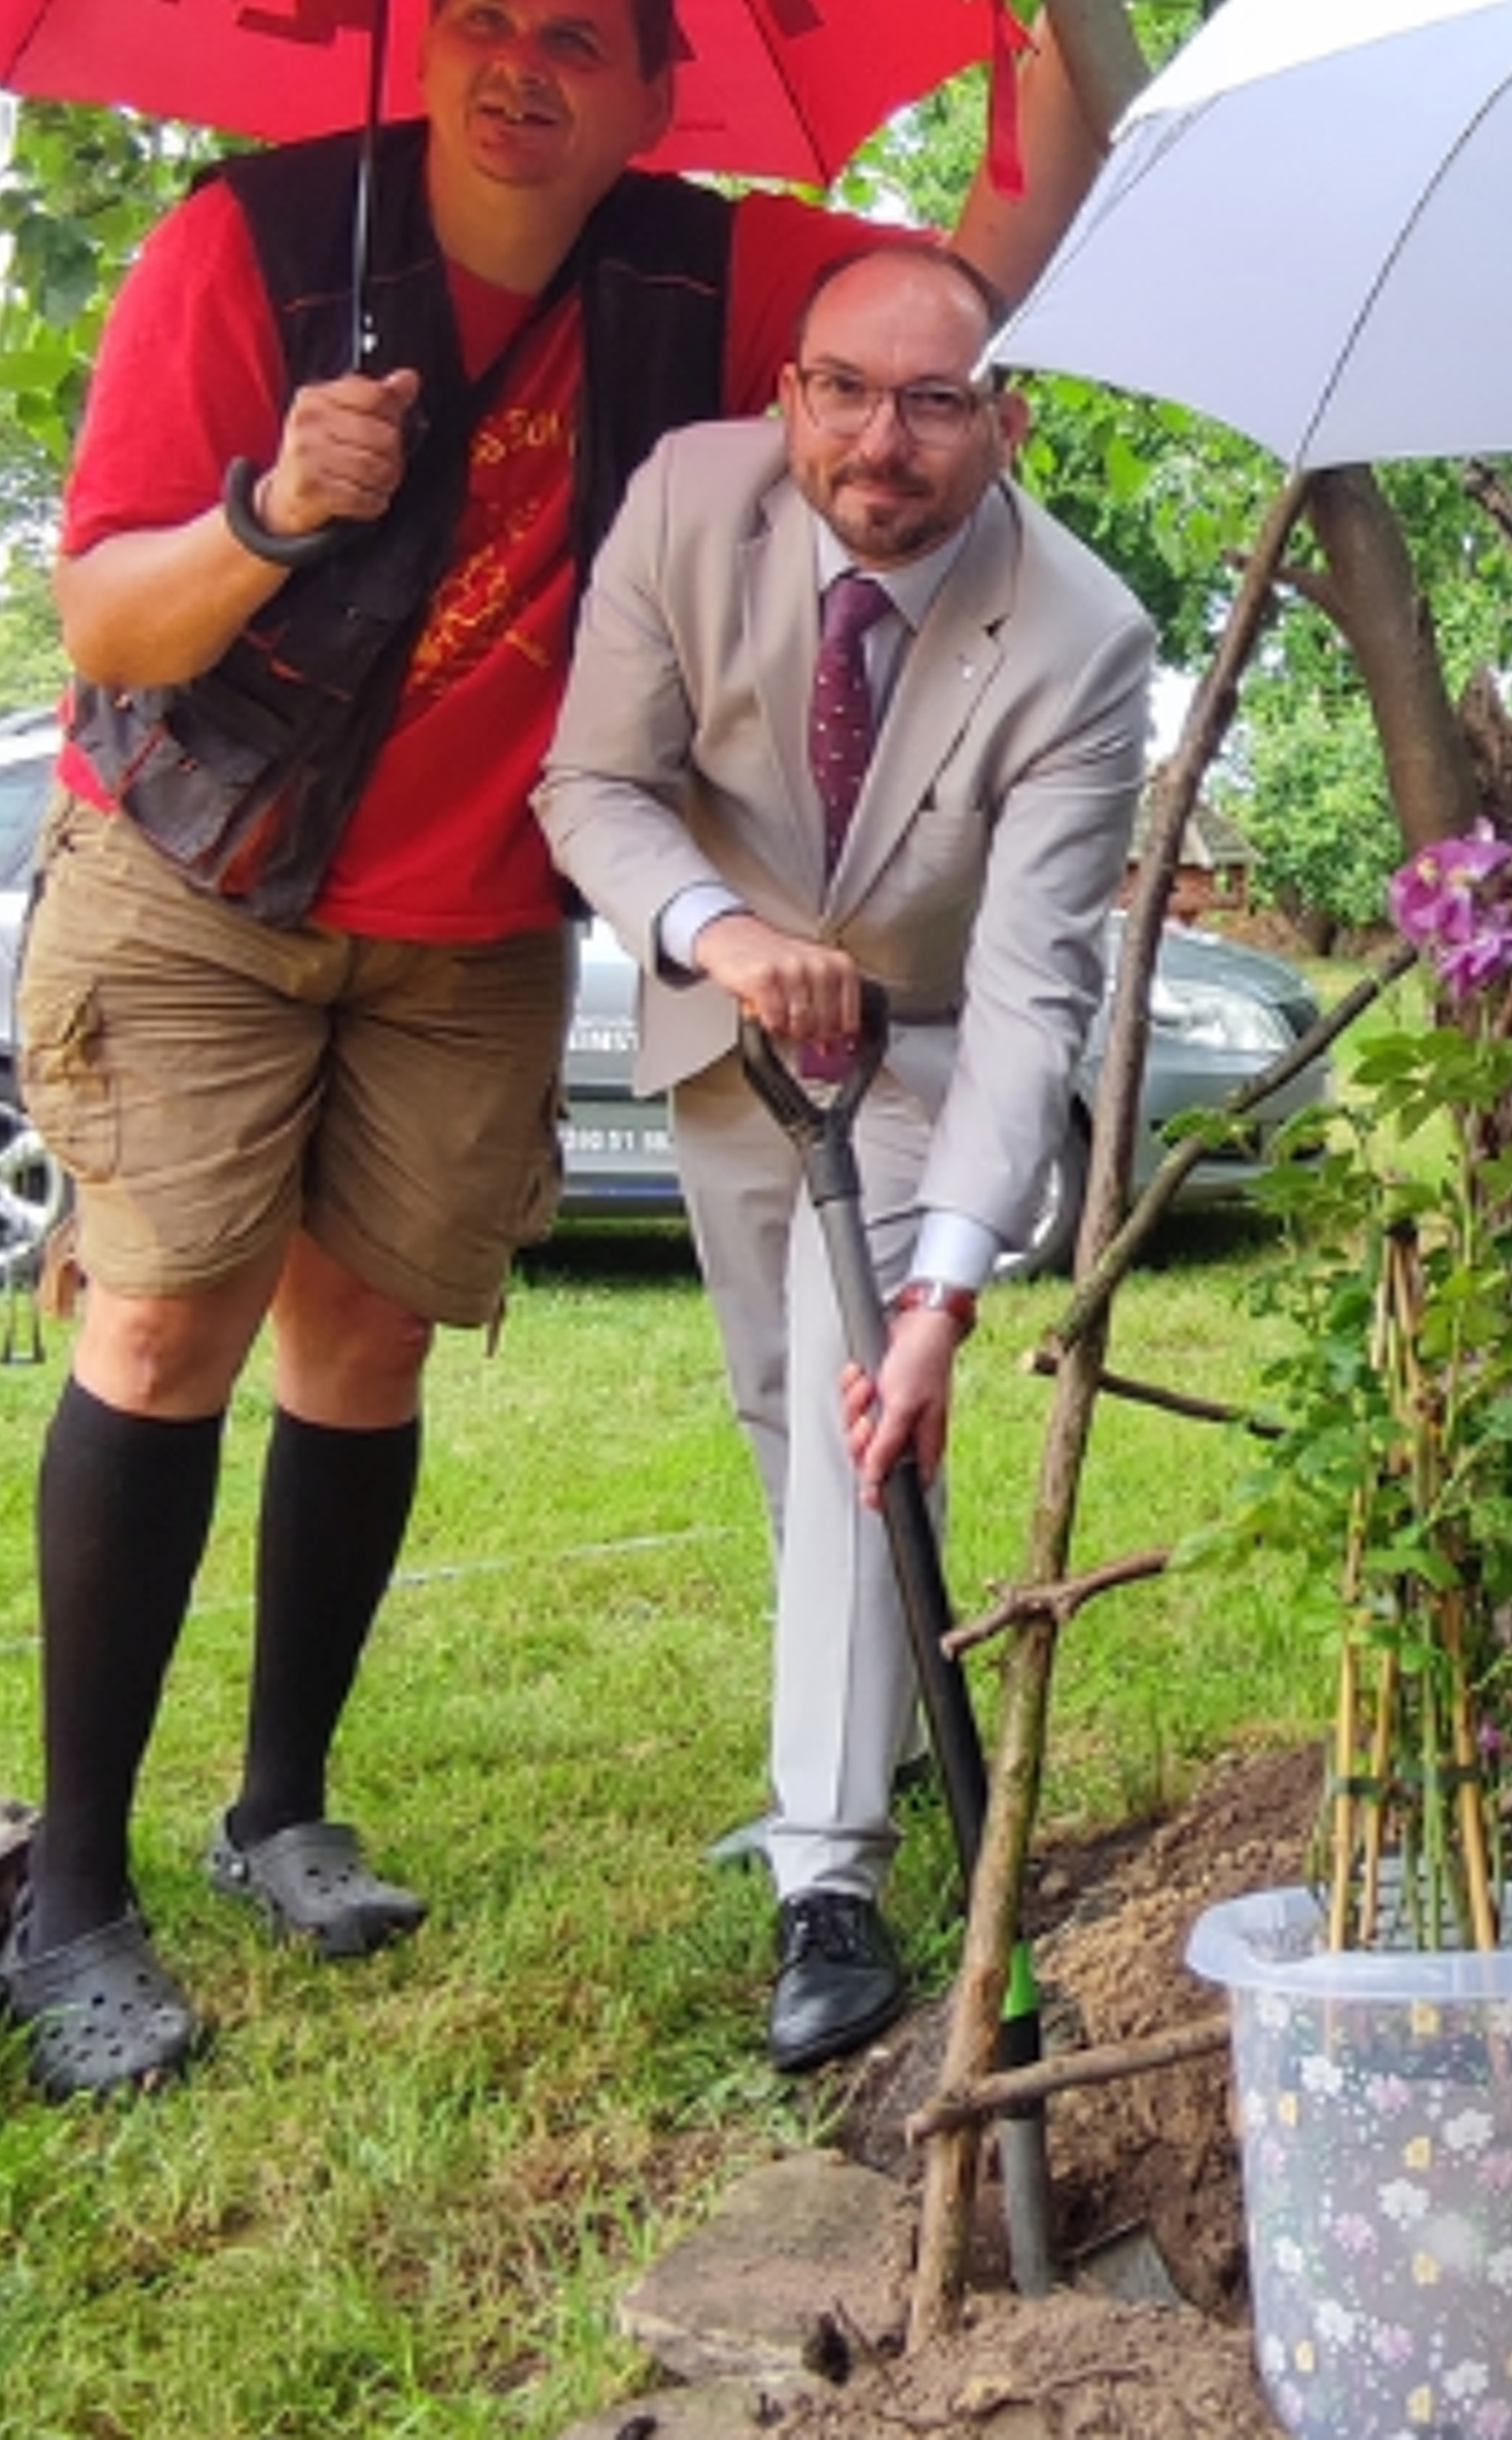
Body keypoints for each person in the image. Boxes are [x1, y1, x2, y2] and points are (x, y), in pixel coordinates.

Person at [1, 0, 1128, 2102]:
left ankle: (282, 1803)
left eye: (578, 45)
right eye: (485, 23)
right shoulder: (254, 243)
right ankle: (73, 1887)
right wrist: (273, 511)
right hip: (205, 871)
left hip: (467, 921)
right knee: (168, 1328)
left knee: (367, 1346)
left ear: (652, 94)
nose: (522, 72)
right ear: (430, 46)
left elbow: (983, 266)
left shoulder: (702, 279)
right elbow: (104, 628)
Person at [536, 240, 1153, 2074]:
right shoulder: (687, 500)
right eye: (844, 391)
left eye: (936, 400)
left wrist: (949, 1287)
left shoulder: (1079, 635)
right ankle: (853, 1726)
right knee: (785, 1407)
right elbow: (596, 784)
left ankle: (833, 1874)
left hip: (927, 1052)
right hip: (733, 1021)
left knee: (856, 1401)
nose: (882, 442)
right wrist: (723, 936)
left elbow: (1039, 988)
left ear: (1004, 418)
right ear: (791, 390)